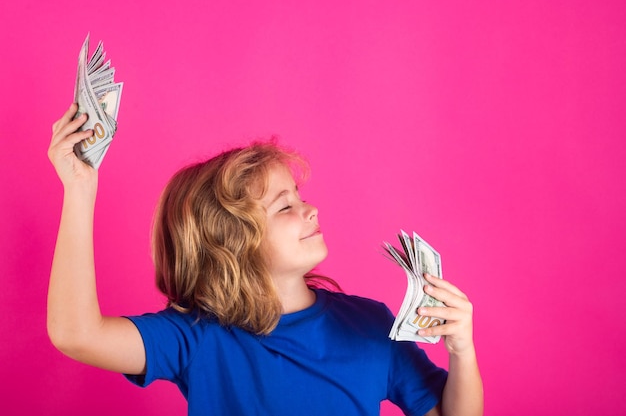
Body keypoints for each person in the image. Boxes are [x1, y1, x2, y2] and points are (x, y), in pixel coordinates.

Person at [47, 103, 483, 416]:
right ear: (232, 243)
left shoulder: (371, 326)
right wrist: (79, 189)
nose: (311, 210)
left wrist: (462, 350)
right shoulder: (195, 338)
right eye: (284, 207)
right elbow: (76, 334)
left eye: (301, 198)